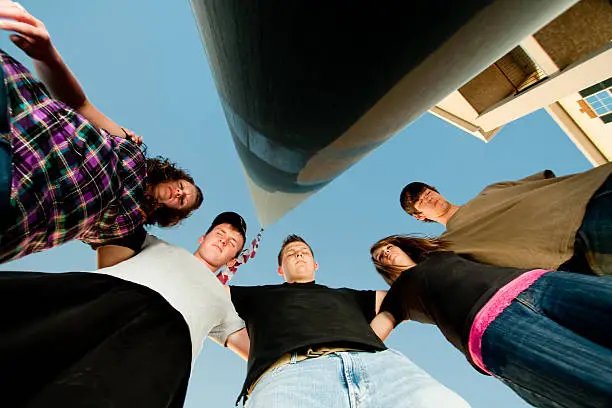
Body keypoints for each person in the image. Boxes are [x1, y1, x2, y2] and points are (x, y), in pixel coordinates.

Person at [0, 2, 203, 264]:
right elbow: (81, 105)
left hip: (19, 193)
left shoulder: (128, 230)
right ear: (173, 176)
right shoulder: (131, 146)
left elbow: (113, 282)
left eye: (183, 201)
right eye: (181, 187)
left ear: (173, 214)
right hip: (20, 113)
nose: (179, 193)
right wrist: (47, 56)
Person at [0, 211, 249, 408]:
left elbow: (260, 349)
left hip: (157, 350)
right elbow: (114, 229)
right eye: (220, 232)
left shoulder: (225, 301)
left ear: (232, 260)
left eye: (232, 242)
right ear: (202, 237)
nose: (224, 240)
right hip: (101, 300)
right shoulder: (156, 244)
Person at [369, 235, 612, 408]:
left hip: (537, 284)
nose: (386, 252)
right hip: (496, 329)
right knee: (597, 379)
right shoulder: (398, 295)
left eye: (388, 246)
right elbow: (379, 326)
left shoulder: (440, 254)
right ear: (382, 266)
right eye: (380, 255)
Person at [227, 234, 470, 407]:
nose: (299, 253)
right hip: (291, 378)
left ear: (315, 264)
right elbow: (203, 294)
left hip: (380, 367)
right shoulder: (256, 295)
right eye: (291, 253)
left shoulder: (348, 296)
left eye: (304, 252)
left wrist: (377, 330)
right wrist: (250, 347)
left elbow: (406, 297)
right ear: (280, 268)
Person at [399, 163, 612, 275]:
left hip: (589, 199)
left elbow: (545, 182)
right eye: (419, 200)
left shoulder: (490, 191)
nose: (427, 196)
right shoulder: (451, 247)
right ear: (420, 216)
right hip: (573, 252)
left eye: (426, 191)